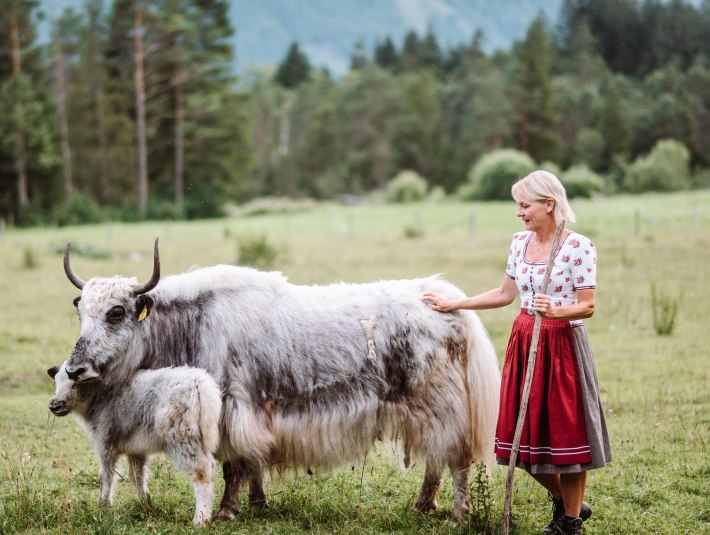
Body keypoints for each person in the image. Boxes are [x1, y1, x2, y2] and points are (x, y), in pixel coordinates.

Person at [423, 170, 611, 535]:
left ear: (548, 204)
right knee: (518, 443)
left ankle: (570, 522)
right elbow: (504, 295)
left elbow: (588, 306)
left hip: (562, 345)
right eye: (518, 205)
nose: (519, 212)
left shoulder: (578, 247)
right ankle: (566, 503)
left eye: (524, 205)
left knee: (566, 438)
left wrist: (556, 310)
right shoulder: (519, 243)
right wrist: (455, 303)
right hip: (525, 339)